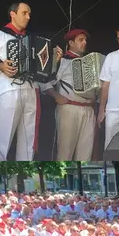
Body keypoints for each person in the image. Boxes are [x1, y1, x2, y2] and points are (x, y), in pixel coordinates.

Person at [0, 1, 63, 160]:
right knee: (4, 137)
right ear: (12, 14)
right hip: (8, 90)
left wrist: (55, 60)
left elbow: (43, 71)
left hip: (30, 90)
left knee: (28, 141)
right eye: (24, 13)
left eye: (29, 14)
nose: (28, 17)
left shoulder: (32, 39)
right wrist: (0, 66)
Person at [42, 28, 96, 160]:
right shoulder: (62, 61)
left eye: (85, 40)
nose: (84, 43)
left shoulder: (90, 63)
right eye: (80, 40)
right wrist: (56, 96)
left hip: (88, 109)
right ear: (71, 42)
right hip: (69, 108)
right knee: (65, 152)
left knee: (86, 154)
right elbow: (44, 82)